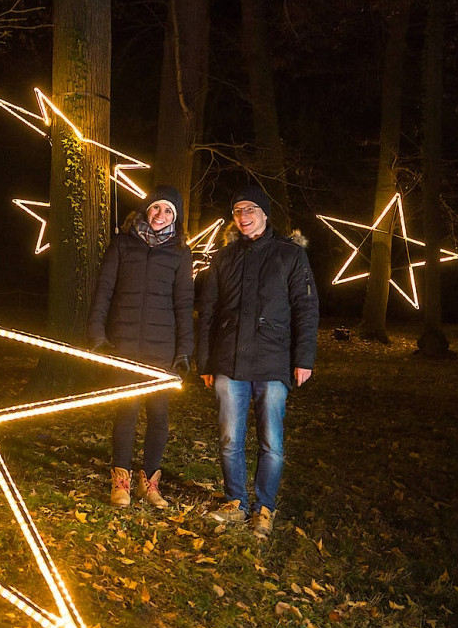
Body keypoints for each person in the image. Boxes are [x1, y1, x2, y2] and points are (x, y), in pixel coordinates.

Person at [196, 185, 318, 537]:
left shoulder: (290, 255)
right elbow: (208, 312)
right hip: (228, 361)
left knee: (272, 442)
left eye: (250, 208)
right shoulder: (225, 257)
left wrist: (304, 357)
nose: (244, 215)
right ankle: (235, 501)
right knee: (230, 438)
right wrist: (205, 362)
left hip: (273, 359)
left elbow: (306, 308)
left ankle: (265, 508)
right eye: (237, 210)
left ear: (265, 213)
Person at [88, 185, 195, 509]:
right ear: (146, 209)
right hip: (124, 343)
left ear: (175, 219)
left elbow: (184, 302)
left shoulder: (180, 253)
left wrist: (184, 350)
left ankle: (150, 483)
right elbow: (104, 290)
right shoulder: (122, 244)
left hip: (162, 348)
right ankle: (120, 482)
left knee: (158, 415)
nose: (160, 215)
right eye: (156, 208)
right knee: (126, 411)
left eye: (168, 211)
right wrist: (97, 334)